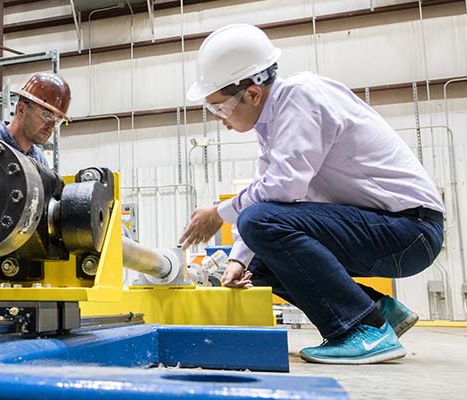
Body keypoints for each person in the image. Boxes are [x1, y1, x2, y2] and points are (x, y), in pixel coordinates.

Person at [180, 24, 444, 365]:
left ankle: (362, 330)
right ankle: (379, 312)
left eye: (220, 108)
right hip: (391, 230)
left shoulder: (302, 98)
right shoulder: (273, 126)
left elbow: (280, 190)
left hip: (412, 230)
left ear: (253, 93)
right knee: (257, 265)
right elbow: (269, 198)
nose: (220, 121)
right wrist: (237, 260)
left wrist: (218, 213)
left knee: (257, 221)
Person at [0, 72, 71, 320]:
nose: (52, 124)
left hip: (25, 271)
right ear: (21, 109)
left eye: (58, 119)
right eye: (46, 114)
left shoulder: (39, 160)